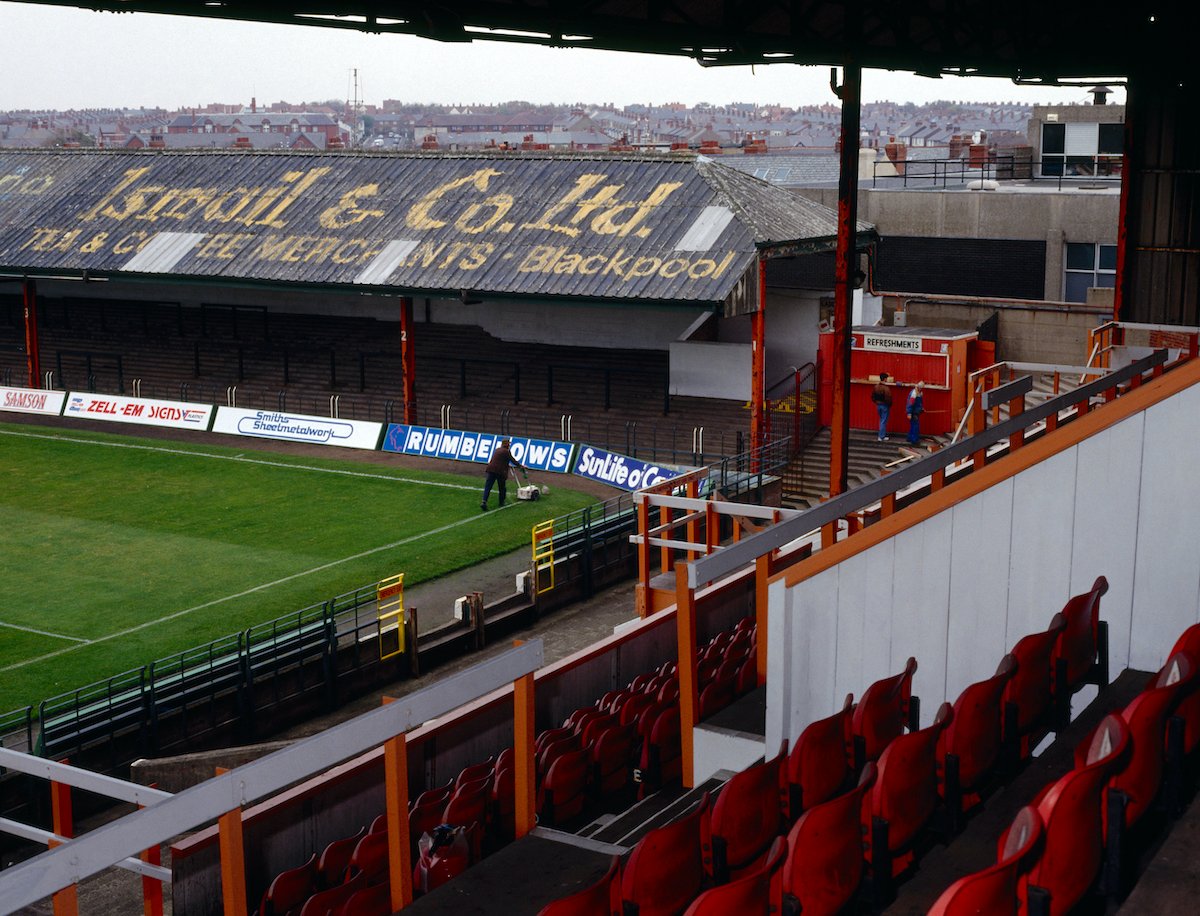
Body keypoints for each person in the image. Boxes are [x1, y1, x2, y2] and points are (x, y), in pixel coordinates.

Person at [481, 438, 525, 510]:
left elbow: (499, 460)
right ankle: (501, 502)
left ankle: (484, 501)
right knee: (502, 488)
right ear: (507, 444)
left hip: (491, 469)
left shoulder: (497, 450)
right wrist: (521, 466)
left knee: (488, 487)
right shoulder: (506, 452)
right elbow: (513, 460)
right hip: (499, 471)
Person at [871, 372, 893, 441]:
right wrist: (889, 405)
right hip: (885, 406)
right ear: (885, 379)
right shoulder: (886, 388)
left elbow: (872, 396)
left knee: (881, 420)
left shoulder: (876, 387)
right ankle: (881, 436)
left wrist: (876, 402)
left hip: (878, 405)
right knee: (883, 421)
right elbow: (888, 398)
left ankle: (882, 435)